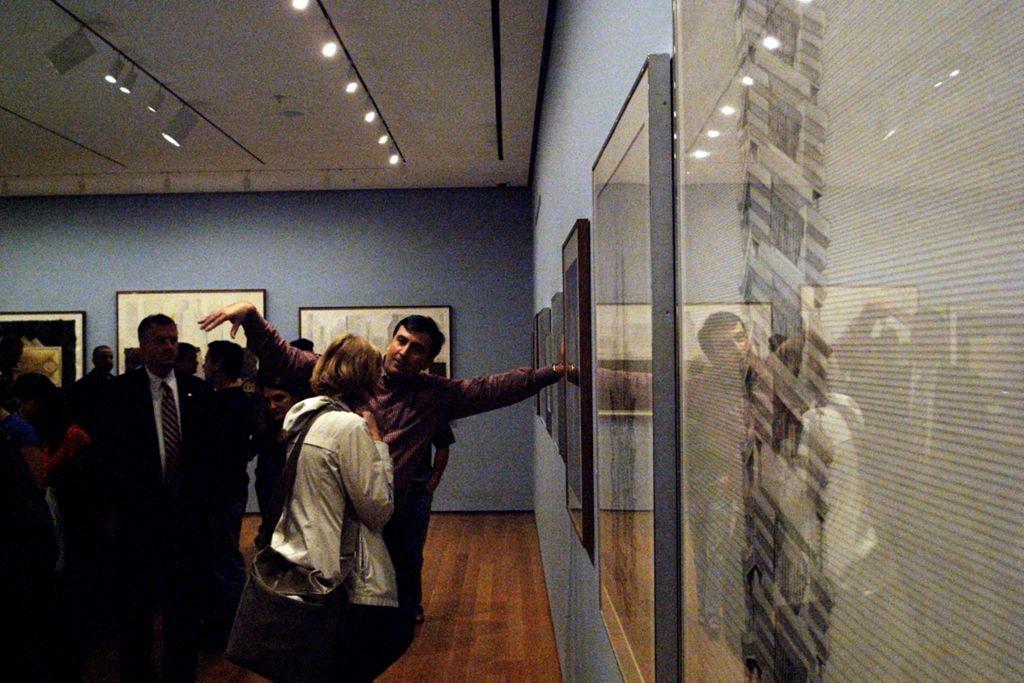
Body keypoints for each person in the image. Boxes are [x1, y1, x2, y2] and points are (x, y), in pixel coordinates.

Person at [199, 302, 563, 632]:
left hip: (402, 504)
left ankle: (397, 634)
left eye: (416, 348)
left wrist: (553, 372)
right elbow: (285, 358)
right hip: (349, 511)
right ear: (391, 341)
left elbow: (492, 389)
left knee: (403, 576)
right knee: (346, 587)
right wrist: (251, 317)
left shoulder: (435, 395)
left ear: (428, 358)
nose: (404, 352)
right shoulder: (353, 376)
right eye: (401, 341)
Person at [268, 333, 400, 681]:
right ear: (365, 377)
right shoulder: (348, 426)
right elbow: (378, 509)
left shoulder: (302, 418)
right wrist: (378, 446)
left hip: (303, 557)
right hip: (336, 572)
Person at [98, 313, 214, 682]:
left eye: (173, 339)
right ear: (143, 345)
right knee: (136, 609)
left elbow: (209, 459)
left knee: (183, 609)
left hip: (186, 520)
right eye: (160, 340)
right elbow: (106, 457)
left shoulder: (198, 392)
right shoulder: (119, 393)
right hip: (138, 519)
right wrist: (110, 511)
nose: (168, 347)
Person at [686, 311, 749, 642]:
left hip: (741, 486)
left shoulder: (760, 380)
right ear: (711, 353)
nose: (738, 348)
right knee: (706, 546)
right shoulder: (698, 387)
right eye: (726, 344)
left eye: (740, 337)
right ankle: (710, 611)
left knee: (724, 548)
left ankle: (719, 612)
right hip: (704, 481)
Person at [200, 340, 259, 652]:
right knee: (223, 555)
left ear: (220, 364)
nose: (204, 365)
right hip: (229, 487)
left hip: (218, 491)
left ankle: (229, 628)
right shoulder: (243, 402)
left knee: (223, 557)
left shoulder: (224, 403)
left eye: (208, 359)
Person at [251, 371, 307, 540]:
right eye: (268, 401)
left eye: (279, 398)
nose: (272, 406)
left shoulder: (310, 430)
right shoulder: (267, 431)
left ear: (295, 398)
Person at [71, 344, 115, 434]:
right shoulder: (82, 385)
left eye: (111, 357)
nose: (108, 360)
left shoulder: (117, 383)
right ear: (94, 361)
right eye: (103, 357)